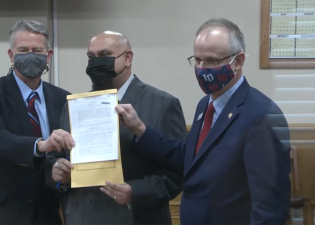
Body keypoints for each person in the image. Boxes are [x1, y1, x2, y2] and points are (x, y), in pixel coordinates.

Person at [114, 19, 291, 225]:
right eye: (197, 60)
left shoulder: (263, 116)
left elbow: (269, 208)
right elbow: (192, 157)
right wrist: (140, 130)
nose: (201, 68)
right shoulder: (205, 105)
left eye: (212, 61)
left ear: (239, 61)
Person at [45, 31, 187, 225]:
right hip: (82, 217)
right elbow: (56, 162)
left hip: (134, 218)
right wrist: (58, 171)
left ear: (128, 58)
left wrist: (134, 193)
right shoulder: (74, 106)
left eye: (104, 55)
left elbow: (177, 173)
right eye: (91, 57)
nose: (96, 63)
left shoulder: (162, 104)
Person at [0, 20, 74, 225]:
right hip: (0, 213)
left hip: (46, 212)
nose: (30, 55)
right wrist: (40, 145)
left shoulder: (64, 99)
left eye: (37, 50)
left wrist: (61, 166)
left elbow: (64, 153)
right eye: (23, 50)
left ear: (48, 56)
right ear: (11, 55)